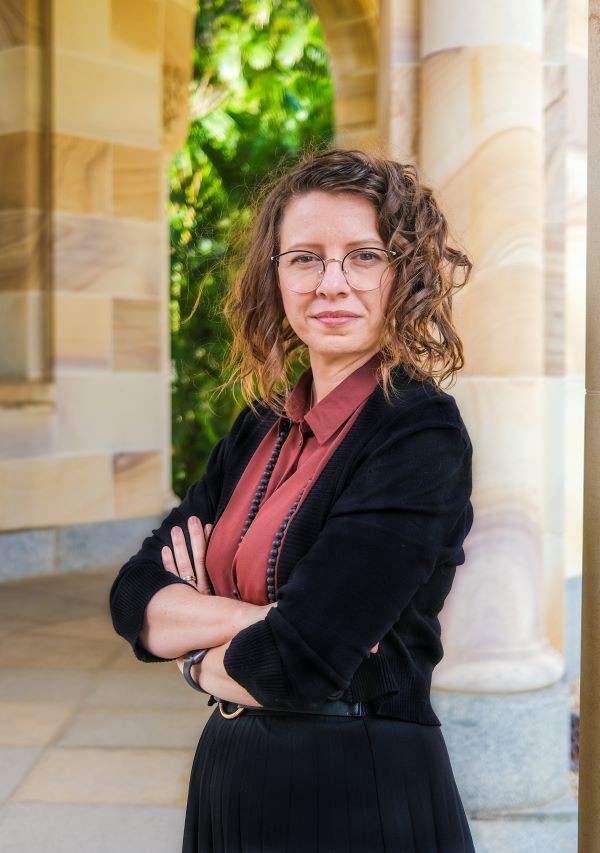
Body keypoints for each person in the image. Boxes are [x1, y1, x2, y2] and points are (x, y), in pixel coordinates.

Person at [108, 148, 476, 852]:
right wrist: (272, 622)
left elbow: (298, 664)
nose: (331, 283)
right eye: (304, 258)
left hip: (354, 794)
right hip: (230, 779)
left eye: (363, 256)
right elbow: (135, 597)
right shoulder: (258, 426)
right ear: (274, 277)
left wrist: (197, 648)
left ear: (402, 275)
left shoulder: (418, 433)